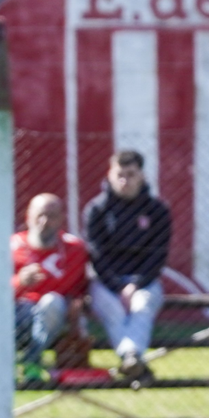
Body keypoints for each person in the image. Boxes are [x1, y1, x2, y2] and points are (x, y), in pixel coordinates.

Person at [83, 151, 171, 377]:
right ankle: (134, 359)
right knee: (113, 309)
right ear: (109, 175)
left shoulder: (158, 211)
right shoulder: (96, 210)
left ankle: (129, 357)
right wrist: (117, 286)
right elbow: (97, 256)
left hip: (145, 282)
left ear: (142, 175)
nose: (124, 181)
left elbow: (157, 257)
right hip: (105, 282)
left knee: (142, 306)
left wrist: (136, 284)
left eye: (130, 174)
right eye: (119, 174)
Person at [0, 194, 90, 374]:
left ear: (61, 219)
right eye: (39, 215)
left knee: (53, 301)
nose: (44, 221)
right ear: (28, 217)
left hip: (53, 317)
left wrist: (79, 301)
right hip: (17, 312)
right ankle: (0, 361)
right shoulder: (11, 246)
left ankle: (31, 361)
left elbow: (83, 288)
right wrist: (20, 282)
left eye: (51, 216)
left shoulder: (74, 250)